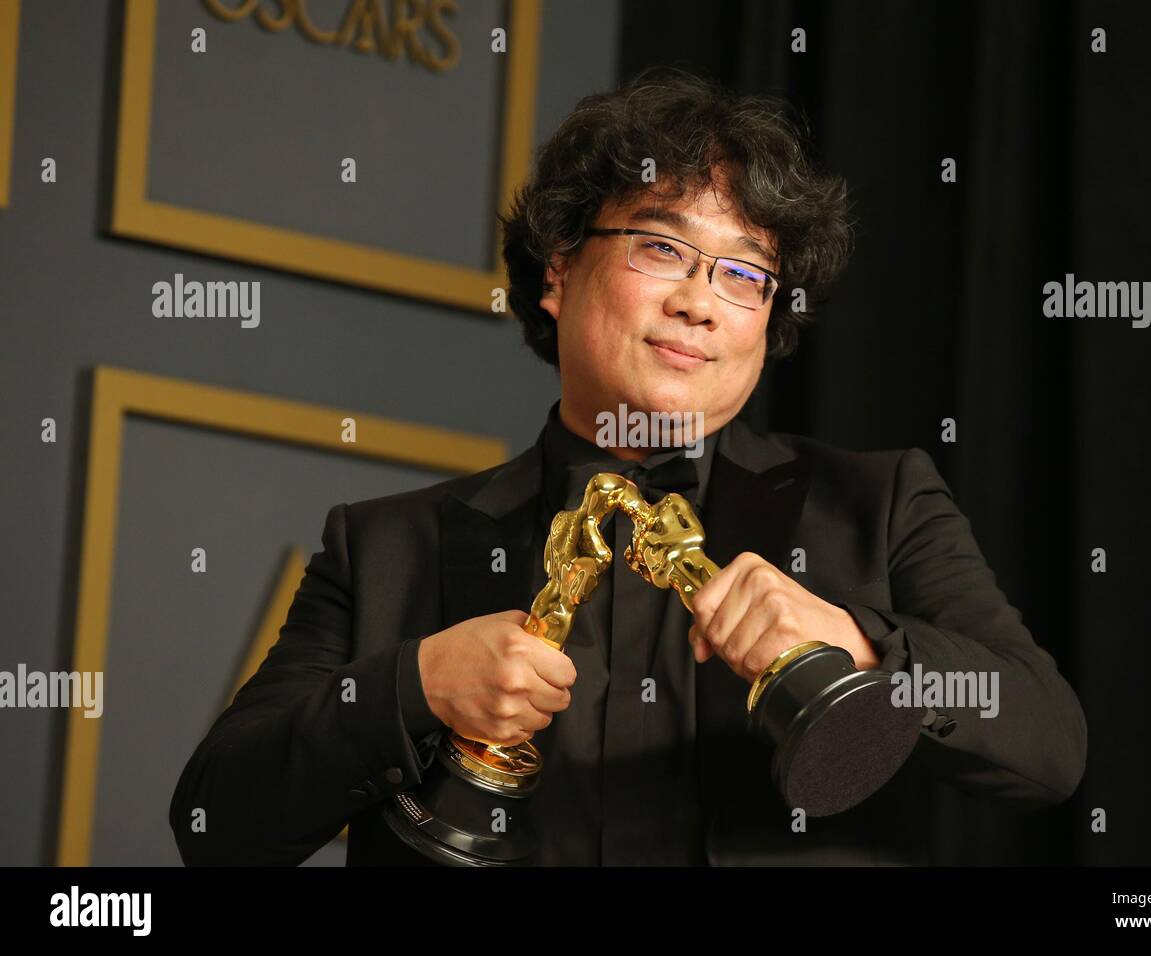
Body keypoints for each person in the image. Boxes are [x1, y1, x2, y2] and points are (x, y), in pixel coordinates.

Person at [169, 68, 1086, 866]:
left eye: (746, 274)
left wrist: (861, 646)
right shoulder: (382, 545)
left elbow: (1049, 745)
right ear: (556, 271)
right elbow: (215, 823)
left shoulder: (879, 504)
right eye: (662, 248)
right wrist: (416, 684)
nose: (702, 303)